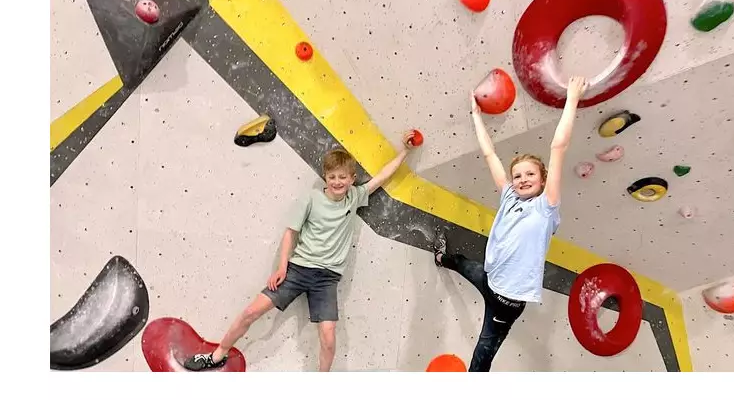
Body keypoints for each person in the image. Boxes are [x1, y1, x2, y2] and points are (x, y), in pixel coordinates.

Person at [184, 130, 419, 371]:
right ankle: (216, 355)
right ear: (325, 177)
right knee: (250, 312)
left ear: (352, 178)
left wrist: (405, 152)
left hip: (327, 279)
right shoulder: (311, 198)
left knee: (328, 338)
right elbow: (290, 232)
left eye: (342, 177)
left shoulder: (355, 197)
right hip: (297, 270)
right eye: (332, 176)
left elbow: (382, 176)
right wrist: (282, 267)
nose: (337, 182)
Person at [433, 76, 588, 371]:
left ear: (542, 180)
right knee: (463, 263)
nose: (522, 180)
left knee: (481, 358)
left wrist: (571, 99)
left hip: (505, 302)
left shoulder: (546, 209)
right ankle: (442, 258)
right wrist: (476, 117)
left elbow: (558, 147)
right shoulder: (509, 196)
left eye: (530, 175)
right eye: (517, 176)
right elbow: (490, 153)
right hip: (490, 277)